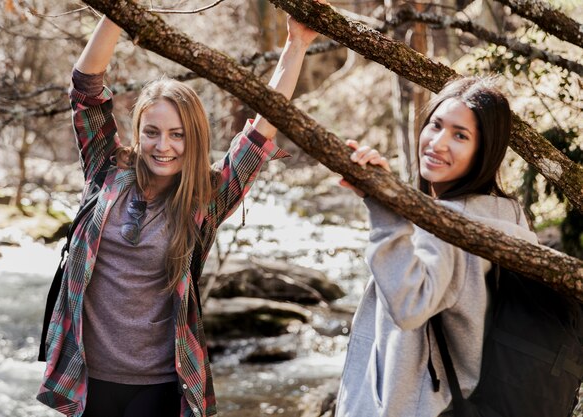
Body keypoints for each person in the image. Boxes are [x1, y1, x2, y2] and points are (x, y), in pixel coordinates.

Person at [36, 9, 323, 417]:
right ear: (138, 133)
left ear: (195, 138)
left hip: (160, 385)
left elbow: (260, 132)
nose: (163, 146)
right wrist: (118, 13)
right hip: (86, 376)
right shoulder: (106, 168)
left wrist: (297, 45)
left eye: (178, 135)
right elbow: (85, 89)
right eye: (152, 132)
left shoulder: (207, 197)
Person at [335, 77, 539, 416]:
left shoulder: (446, 227)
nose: (437, 143)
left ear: (485, 150)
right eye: (435, 125)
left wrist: (384, 207)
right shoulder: (510, 216)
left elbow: (409, 305)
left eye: (460, 135)